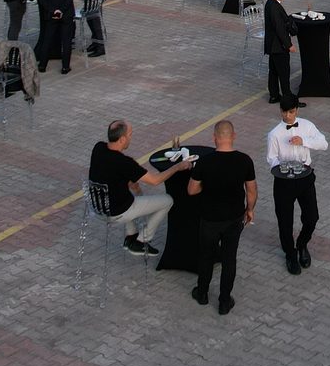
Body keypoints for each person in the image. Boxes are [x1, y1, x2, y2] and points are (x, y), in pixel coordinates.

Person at [89, 119, 190, 257]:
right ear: (123, 138)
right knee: (168, 200)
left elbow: (110, 171)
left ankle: (130, 237)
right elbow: (155, 180)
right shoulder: (124, 163)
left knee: (131, 193)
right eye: (130, 135)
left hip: (99, 207)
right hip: (117, 211)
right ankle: (141, 241)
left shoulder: (98, 148)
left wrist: (132, 183)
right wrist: (178, 167)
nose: (131, 138)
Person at [188, 118, 257, 315]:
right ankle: (224, 301)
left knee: (206, 256)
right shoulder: (244, 160)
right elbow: (251, 190)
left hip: (209, 218)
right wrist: (249, 209)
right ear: (233, 137)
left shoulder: (205, 161)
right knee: (229, 259)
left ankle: (201, 293)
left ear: (214, 138)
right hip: (234, 218)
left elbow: (191, 190)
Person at [264, 95, 327, 275]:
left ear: (297, 110)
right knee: (285, 221)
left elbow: (324, 144)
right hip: (283, 182)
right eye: (285, 112)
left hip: (305, 178)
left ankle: (302, 244)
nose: (288, 116)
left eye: (291, 112)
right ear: (281, 111)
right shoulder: (274, 133)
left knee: (312, 217)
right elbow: (271, 158)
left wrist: (304, 141)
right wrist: (283, 168)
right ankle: (290, 254)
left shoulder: (307, 126)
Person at [262, 0, 297, 104]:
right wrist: (289, 45)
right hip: (278, 46)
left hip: (272, 45)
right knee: (283, 72)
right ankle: (287, 97)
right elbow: (280, 28)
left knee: (273, 71)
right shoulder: (274, 7)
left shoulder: (271, 4)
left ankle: (274, 95)